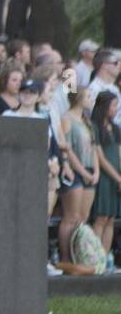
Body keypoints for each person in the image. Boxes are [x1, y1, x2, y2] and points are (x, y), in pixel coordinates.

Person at [59, 87, 98, 264]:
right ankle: (65, 258)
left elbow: (94, 148)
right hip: (75, 171)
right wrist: (82, 171)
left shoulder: (87, 121)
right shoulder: (67, 119)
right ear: (79, 98)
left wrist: (95, 170)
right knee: (71, 216)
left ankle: (79, 257)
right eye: (88, 96)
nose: (91, 99)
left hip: (90, 169)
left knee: (83, 217)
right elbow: (67, 149)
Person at [91, 90, 121, 263]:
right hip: (105, 176)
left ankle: (105, 257)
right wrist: (117, 178)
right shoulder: (94, 127)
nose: (116, 108)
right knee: (101, 217)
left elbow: (118, 152)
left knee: (110, 218)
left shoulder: (115, 127)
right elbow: (100, 158)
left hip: (116, 175)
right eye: (114, 105)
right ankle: (94, 258)